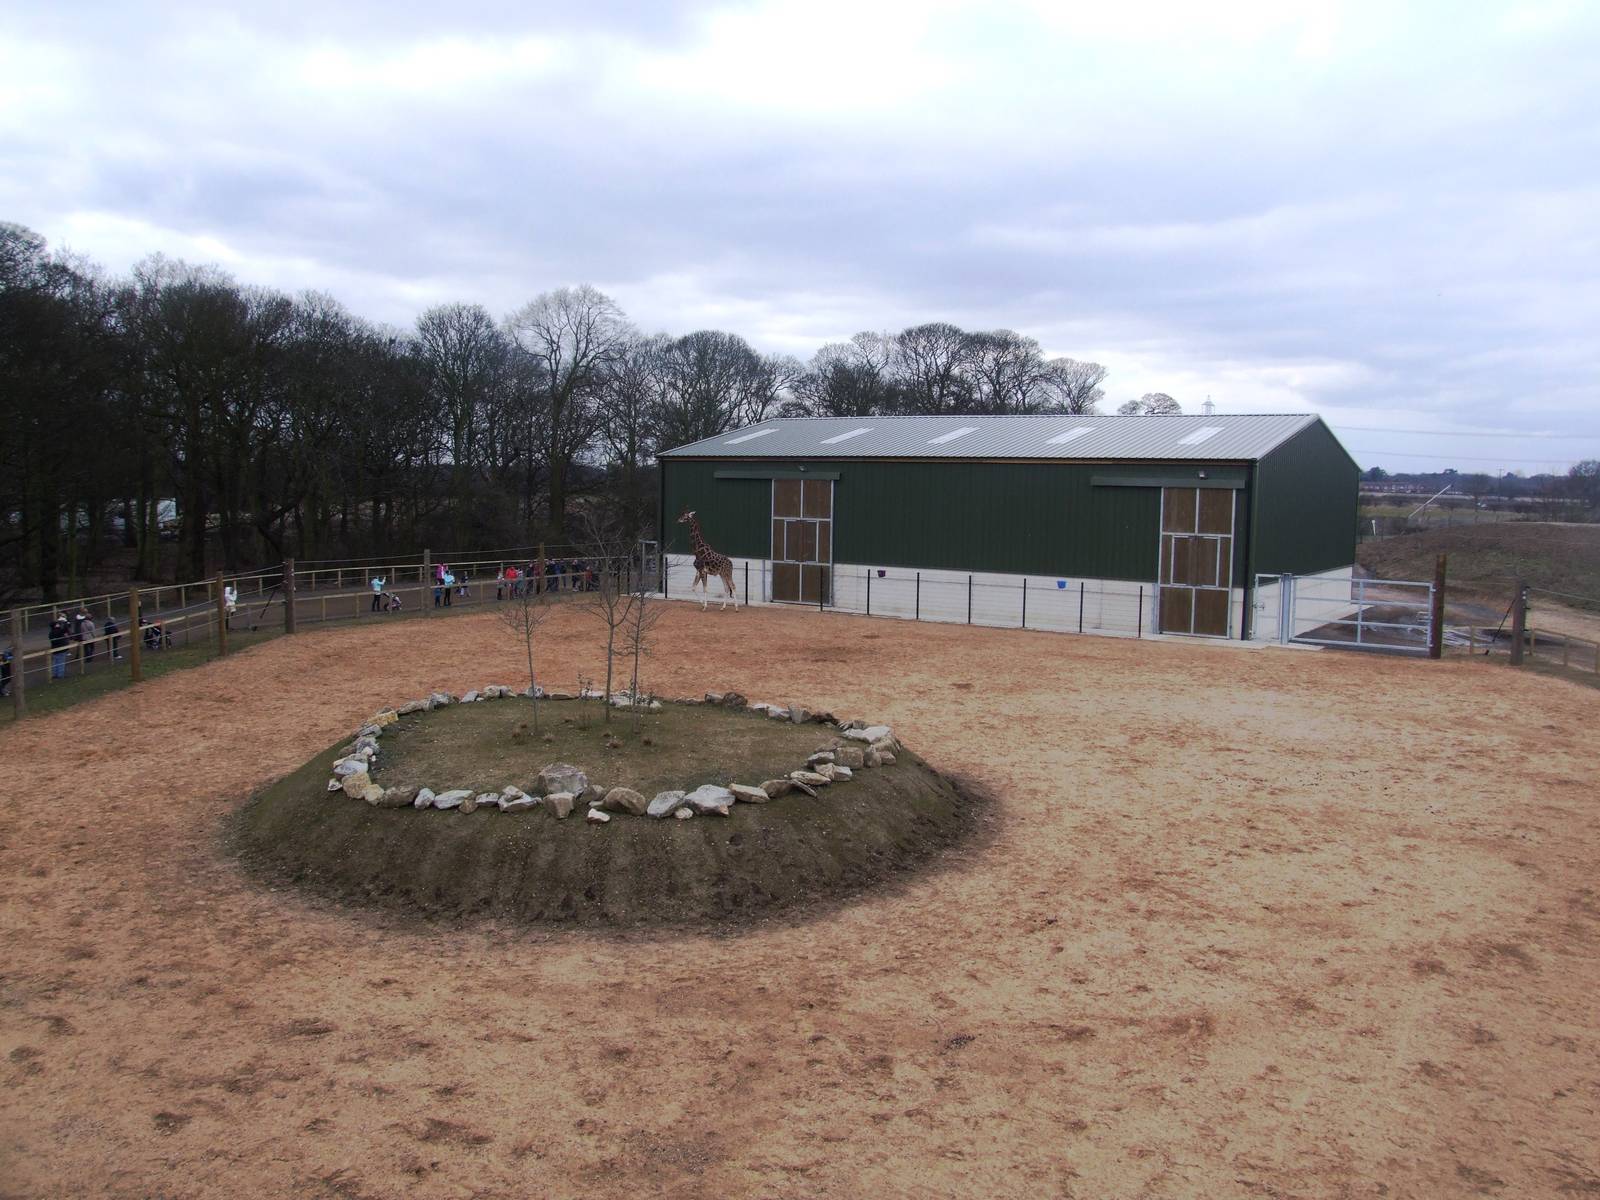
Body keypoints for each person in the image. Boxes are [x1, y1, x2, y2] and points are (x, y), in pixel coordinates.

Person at [48, 612, 70, 679]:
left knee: (55, 662)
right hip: (61, 648)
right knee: (61, 662)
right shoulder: (59, 631)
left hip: (54, 648)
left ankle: (55, 674)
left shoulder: (51, 633)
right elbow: (65, 629)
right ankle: (60, 675)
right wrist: (65, 621)